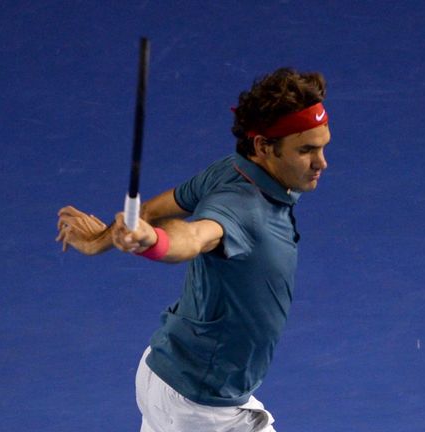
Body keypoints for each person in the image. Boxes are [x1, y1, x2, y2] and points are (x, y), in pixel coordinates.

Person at [56, 67, 330, 432]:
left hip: (168, 372)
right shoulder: (241, 208)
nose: (321, 162)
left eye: (323, 146)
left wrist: (98, 242)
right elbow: (195, 237)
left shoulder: (231, 169)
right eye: (306, 150)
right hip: (201, 409)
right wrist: (153, 242)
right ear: (264, 146)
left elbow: (150, 211)